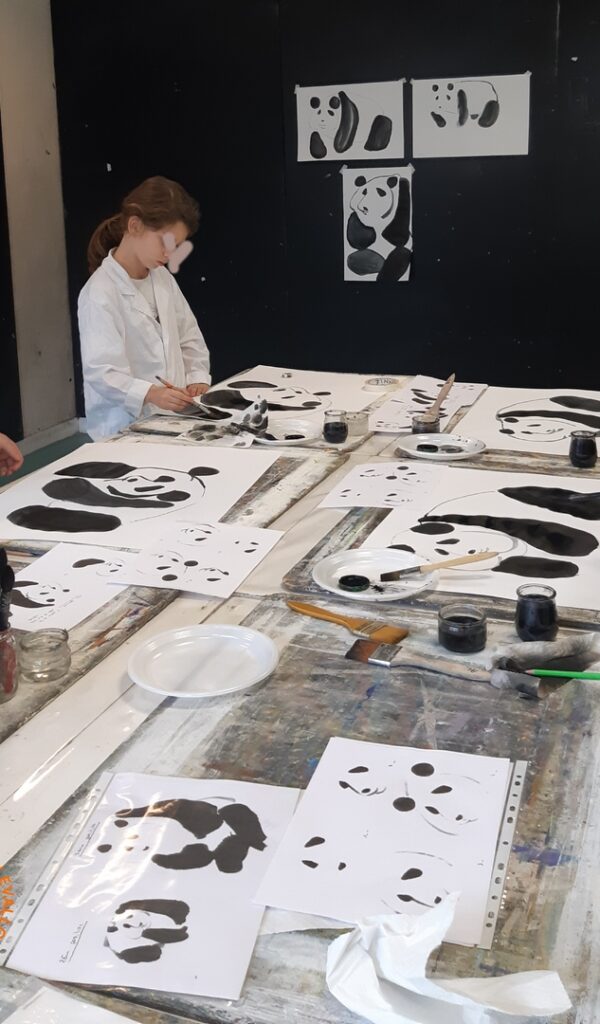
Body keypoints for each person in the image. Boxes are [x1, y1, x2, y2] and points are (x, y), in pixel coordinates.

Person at [78, 176, 211, 440]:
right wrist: (150, 394)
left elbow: (189, 335)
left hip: (172, 421)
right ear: (135, 225)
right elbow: (103, 371)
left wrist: (197, 376)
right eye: (165, 242)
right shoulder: (100, 293)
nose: (169, 254)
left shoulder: (162, 279)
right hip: (121, 427)